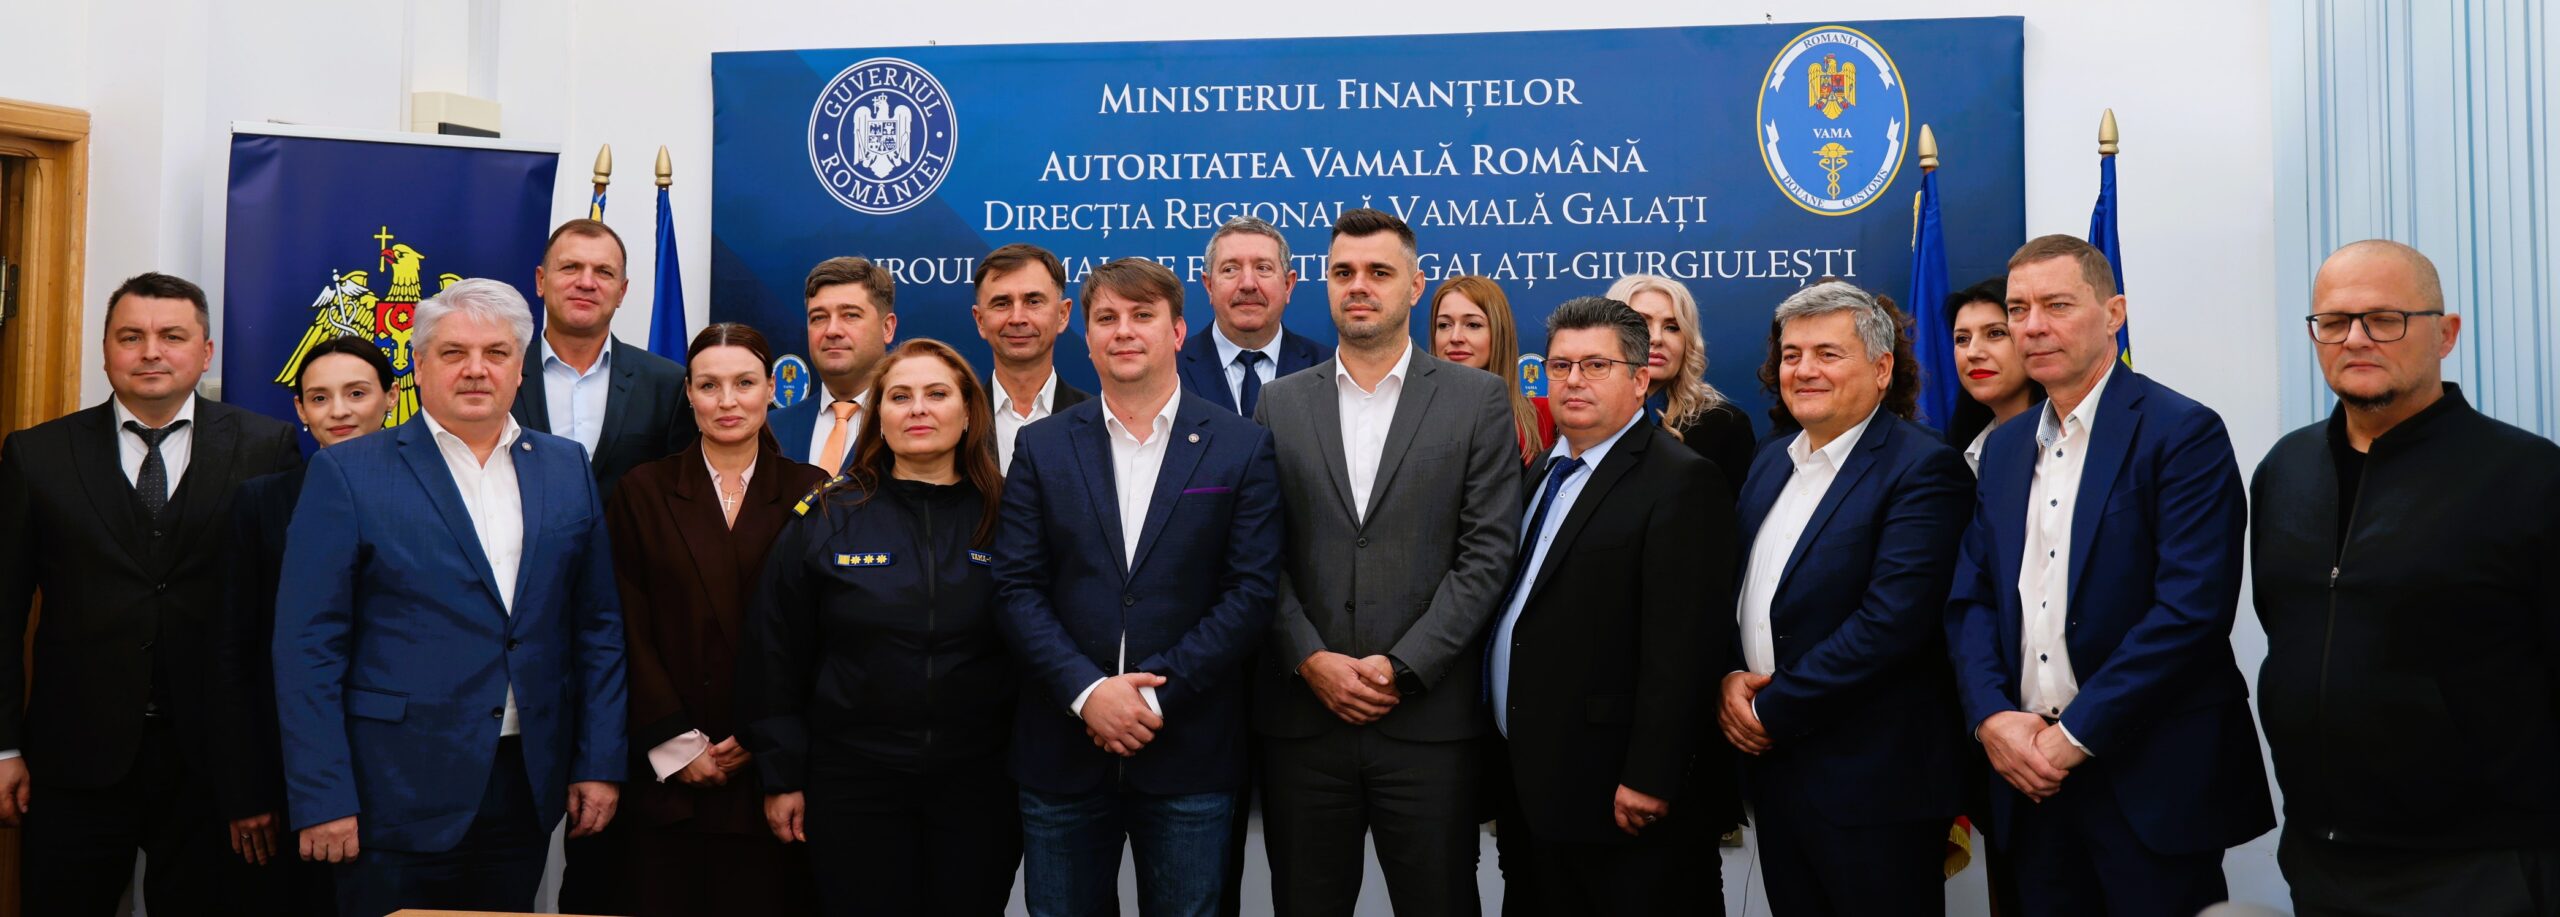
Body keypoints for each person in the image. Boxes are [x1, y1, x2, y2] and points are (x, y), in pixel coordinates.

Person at [273, 278, 628, 916]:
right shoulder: (348, 473)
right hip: (390, 791)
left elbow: (597, 627)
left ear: (521, 368)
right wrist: (323, 795)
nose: (475, 369)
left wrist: (599, 761)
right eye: (454, 352)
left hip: (525, 783)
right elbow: (307, 648)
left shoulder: (565, 466)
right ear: (418, 364)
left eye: (496, 353)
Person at [1946, 236, 2274, 917]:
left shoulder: (2182, 431)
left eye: (2057, 305)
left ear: (2113, 313)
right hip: (2028, 781)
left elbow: (2190, 610)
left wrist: (2071, 737)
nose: (2033, 326)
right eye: (2019, 310)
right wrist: (1993, 718)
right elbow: (1973, 599)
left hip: (2147, 779)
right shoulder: (2005, 446)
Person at [2253, 240, 2560, 916]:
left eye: (2385, 319)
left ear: (2445, 334)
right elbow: (2289, 631)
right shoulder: (2284, 470)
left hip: (2482, 866)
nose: (2355, 338)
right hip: (2321, 858)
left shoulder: (2529, 476)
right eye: (2334, 321)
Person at [0, 272, 302, 915]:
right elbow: (2, 612)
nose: (151, 352)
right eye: (131, 336)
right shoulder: (36, 455)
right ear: (105, 349)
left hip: (214, 765)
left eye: (172, 336)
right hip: (72, 759)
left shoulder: (267, 447)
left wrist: (263, 767)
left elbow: (285, 619)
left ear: (206, 351)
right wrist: (4, 746)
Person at [993, 257, 1284, 915]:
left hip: (1189, 750)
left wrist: (1153, 698)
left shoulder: (1241, 446)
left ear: (1178, 331)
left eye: (1142, 315)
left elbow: (1249, 593)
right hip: (1062, 748)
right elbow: (1015, 587)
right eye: (1106, 318)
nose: (1123, 331)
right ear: (1087, 337)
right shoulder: (1041, 446)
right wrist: (1089, 692)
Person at [1253, 208, 1523, 916]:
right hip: (1305, 725)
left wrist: (1401, 667)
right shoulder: (1279, 403)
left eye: (1379, 272)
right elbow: (1257, 554)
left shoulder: (1477, 400)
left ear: (1415, 285)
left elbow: (1488, 552)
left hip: (1429, 726)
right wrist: (1311, 659)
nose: (1359, 286)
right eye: (1343, 272)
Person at [738, 338, 1021, 916]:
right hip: (854, 784)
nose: (918, 409)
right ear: (879, 416)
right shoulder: (828, 515)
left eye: (936, 394)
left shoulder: (1010, 517)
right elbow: (774, 652)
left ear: (970, 412)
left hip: (980, 786)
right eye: (900, 396)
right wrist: (781, 773)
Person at [1720, 282, 1972, 916]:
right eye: (1792, 354)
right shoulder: (1771, 460)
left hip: (1874, 786)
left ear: (1882, 369)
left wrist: (1769, 708)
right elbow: (1739, 593)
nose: (1804, 370)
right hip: (1777, 775)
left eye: (1828, 354)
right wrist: (1729, 678)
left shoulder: (1924, 466)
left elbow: (1892, 623)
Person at [1485, 296, 1735, 914]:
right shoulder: (1543, 472)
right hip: (1531, 787)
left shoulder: (1680, 480)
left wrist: (1651, 775)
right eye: (1560, 366)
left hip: (1617, 795)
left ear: (1640, 379)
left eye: (1596, 366)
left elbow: (1683, 649)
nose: (1573, 380)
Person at [604, 323, 829, 917]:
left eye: (744, 383)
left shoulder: (814, 491)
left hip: (772, 776)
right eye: (709, 385)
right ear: (688, 394)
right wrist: (676, 744)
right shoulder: (643, 490)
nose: (727, 401)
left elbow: (822, 636)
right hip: (666, 768)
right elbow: (624, 623)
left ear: (772, 390)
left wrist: (765, 740)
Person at [206, 335, 399, 916]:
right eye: (319, 397)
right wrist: (247, 791)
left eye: (356, 393)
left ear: (391, 398)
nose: (338, 411)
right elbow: (233, 654)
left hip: (405, 771)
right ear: (300, 410)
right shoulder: (260, 502)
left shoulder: (436, 494)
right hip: (287, 771)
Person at [512, 219, 697, 492]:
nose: (586, 283)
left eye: (603, 272)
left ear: (621, 292)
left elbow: (679, 491)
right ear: (541, 281)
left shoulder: (668, 385)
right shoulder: (501, 375)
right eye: (570, 267)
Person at [1606, 273, 1755, 491]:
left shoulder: (1723, 426)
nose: (1657, 338)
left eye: (1672, 327)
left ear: (1687, 342)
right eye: (1641, 324)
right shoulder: (1579, 418)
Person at [1179, 215, 1327, 416]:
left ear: (1288, 285)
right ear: (1209, 286)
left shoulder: (1327, 368)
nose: (1248, 284)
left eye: (1263, 268)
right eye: (1230, 269)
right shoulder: (1171, 368)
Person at [971, 243, 1092, 474]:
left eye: (1033, 301)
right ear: (980, 320)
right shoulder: (957, 418)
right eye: (1002, 303)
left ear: (1063, 314)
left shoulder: (1098, 421)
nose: (1017, 318)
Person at [771, 256, 899, 472]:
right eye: (819, 317)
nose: (832, 331)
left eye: (850, 315)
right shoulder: (770, 428)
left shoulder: (913, 422)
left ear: (887, 328)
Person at [1428, 275, 1553, 465]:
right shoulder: (1412, 416)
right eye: (1444, 325)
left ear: (1498, 333)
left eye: (1473, 325)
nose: (1455, 337)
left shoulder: (1544, 417)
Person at [1944, 277, 2045, 472]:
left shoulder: (2067, 442)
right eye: (1962, 339)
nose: (1973, 352)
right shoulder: (1960, 454)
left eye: (1995, 333)